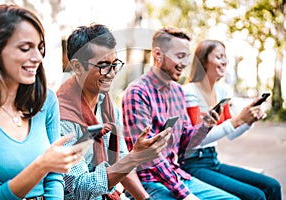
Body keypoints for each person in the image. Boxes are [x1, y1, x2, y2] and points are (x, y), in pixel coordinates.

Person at [0, 4, 92, 200]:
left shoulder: (46, 102)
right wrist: (42, 164)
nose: (37, 57)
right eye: (25, 48)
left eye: (39, 48)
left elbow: (54, 178)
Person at [122, 27, 240, 200]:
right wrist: (185, 194)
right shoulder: (137, 93)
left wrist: (205, 126)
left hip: (176, 176)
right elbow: (149, 155)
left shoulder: (178, 91)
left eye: (187, 57)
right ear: (158, 55)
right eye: (179, 56)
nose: (185, 63)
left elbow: (186, 143)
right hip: (147, 183)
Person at [56, 23, 171, 200]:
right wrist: (135, 158)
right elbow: (80, 188)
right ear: (77, 67)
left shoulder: (106, 104)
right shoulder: (61, 117)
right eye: (103, 65)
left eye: (114, 64)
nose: (111, 74)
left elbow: (121, 160)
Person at [179, 39, 281, 200]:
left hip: (212, 160)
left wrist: (248, 121)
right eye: (219, 57)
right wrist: (238, 120)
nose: (224, 61)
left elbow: (230, 134)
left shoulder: (222, 92)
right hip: (192, 164)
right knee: (256, 196)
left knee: (273, 186)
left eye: (225, 57)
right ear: (204, 62)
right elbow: (195, 140)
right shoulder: (189, 92)